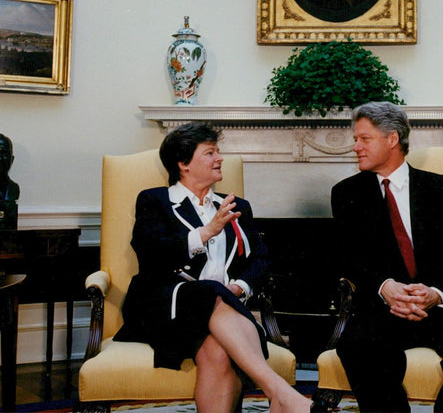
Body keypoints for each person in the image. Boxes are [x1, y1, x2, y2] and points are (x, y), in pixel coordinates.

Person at [113, 122, 311, 413]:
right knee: (209, 290)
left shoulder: (235, 205)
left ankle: (281, 398)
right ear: (183, 164)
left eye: (218, 152)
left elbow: (260, 259)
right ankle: (279, 392)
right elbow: (150, 253)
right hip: (165, 307)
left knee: (218, 352)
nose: (220, 158)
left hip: (223, 308)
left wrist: (240, 287)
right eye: (210, 153)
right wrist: (206, 232)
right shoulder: (156, 200)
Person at [331, 102, 443, 413]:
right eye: (355, 139)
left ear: (392, 139)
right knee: (356, 348)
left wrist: (436, 292)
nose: (355, 147)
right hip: (385, 307)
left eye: (364, 139)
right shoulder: (346, 193)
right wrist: (385, 286)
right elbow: (347, 256)